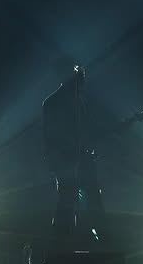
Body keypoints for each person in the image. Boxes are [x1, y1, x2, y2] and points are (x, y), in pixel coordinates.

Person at [42, 64, 106, 250]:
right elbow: (51, 136)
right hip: (68, 161)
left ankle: (63, 246)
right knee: (75, 202)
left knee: (72, 202)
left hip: (74, 160)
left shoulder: (66, 101)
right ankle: (65, 246)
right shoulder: (58, 102)